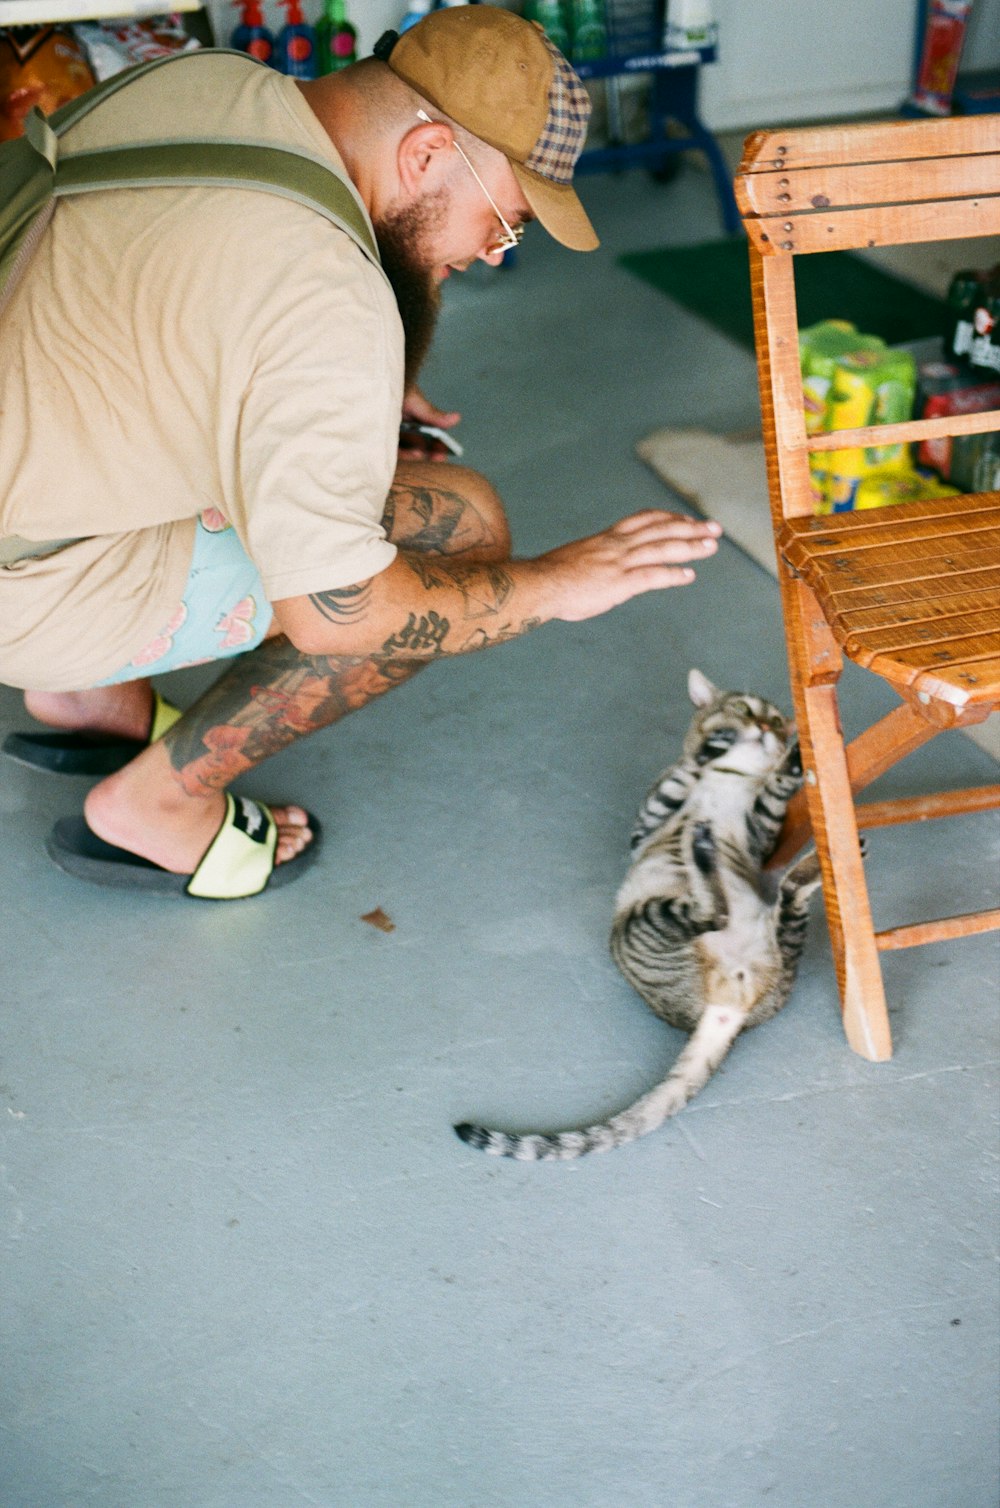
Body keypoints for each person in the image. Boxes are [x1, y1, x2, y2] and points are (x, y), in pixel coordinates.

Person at [0, 6, 721, 900]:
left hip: (26, 477)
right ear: (425, 156)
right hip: (26, 592)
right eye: (505, 220)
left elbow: (164, 297)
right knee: (456, 530)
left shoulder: (207, 81)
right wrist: (559, 587)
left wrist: (328, 391)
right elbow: (339, 614)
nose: (495, 254)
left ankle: (89, 702)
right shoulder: (326, 296)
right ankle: (157, 805)